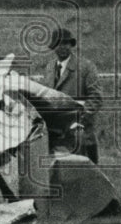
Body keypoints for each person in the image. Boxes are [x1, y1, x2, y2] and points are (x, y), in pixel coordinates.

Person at [42, 27, 103, 163]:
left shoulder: (86, 67)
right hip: (56, 136)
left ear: (71, 45)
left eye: (66, 43)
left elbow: (96, 97)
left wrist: (80, 120)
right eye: (59, 44)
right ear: (53, 47)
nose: (62, 47)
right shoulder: (49, 68)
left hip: (80, 134)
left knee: (86, 176)